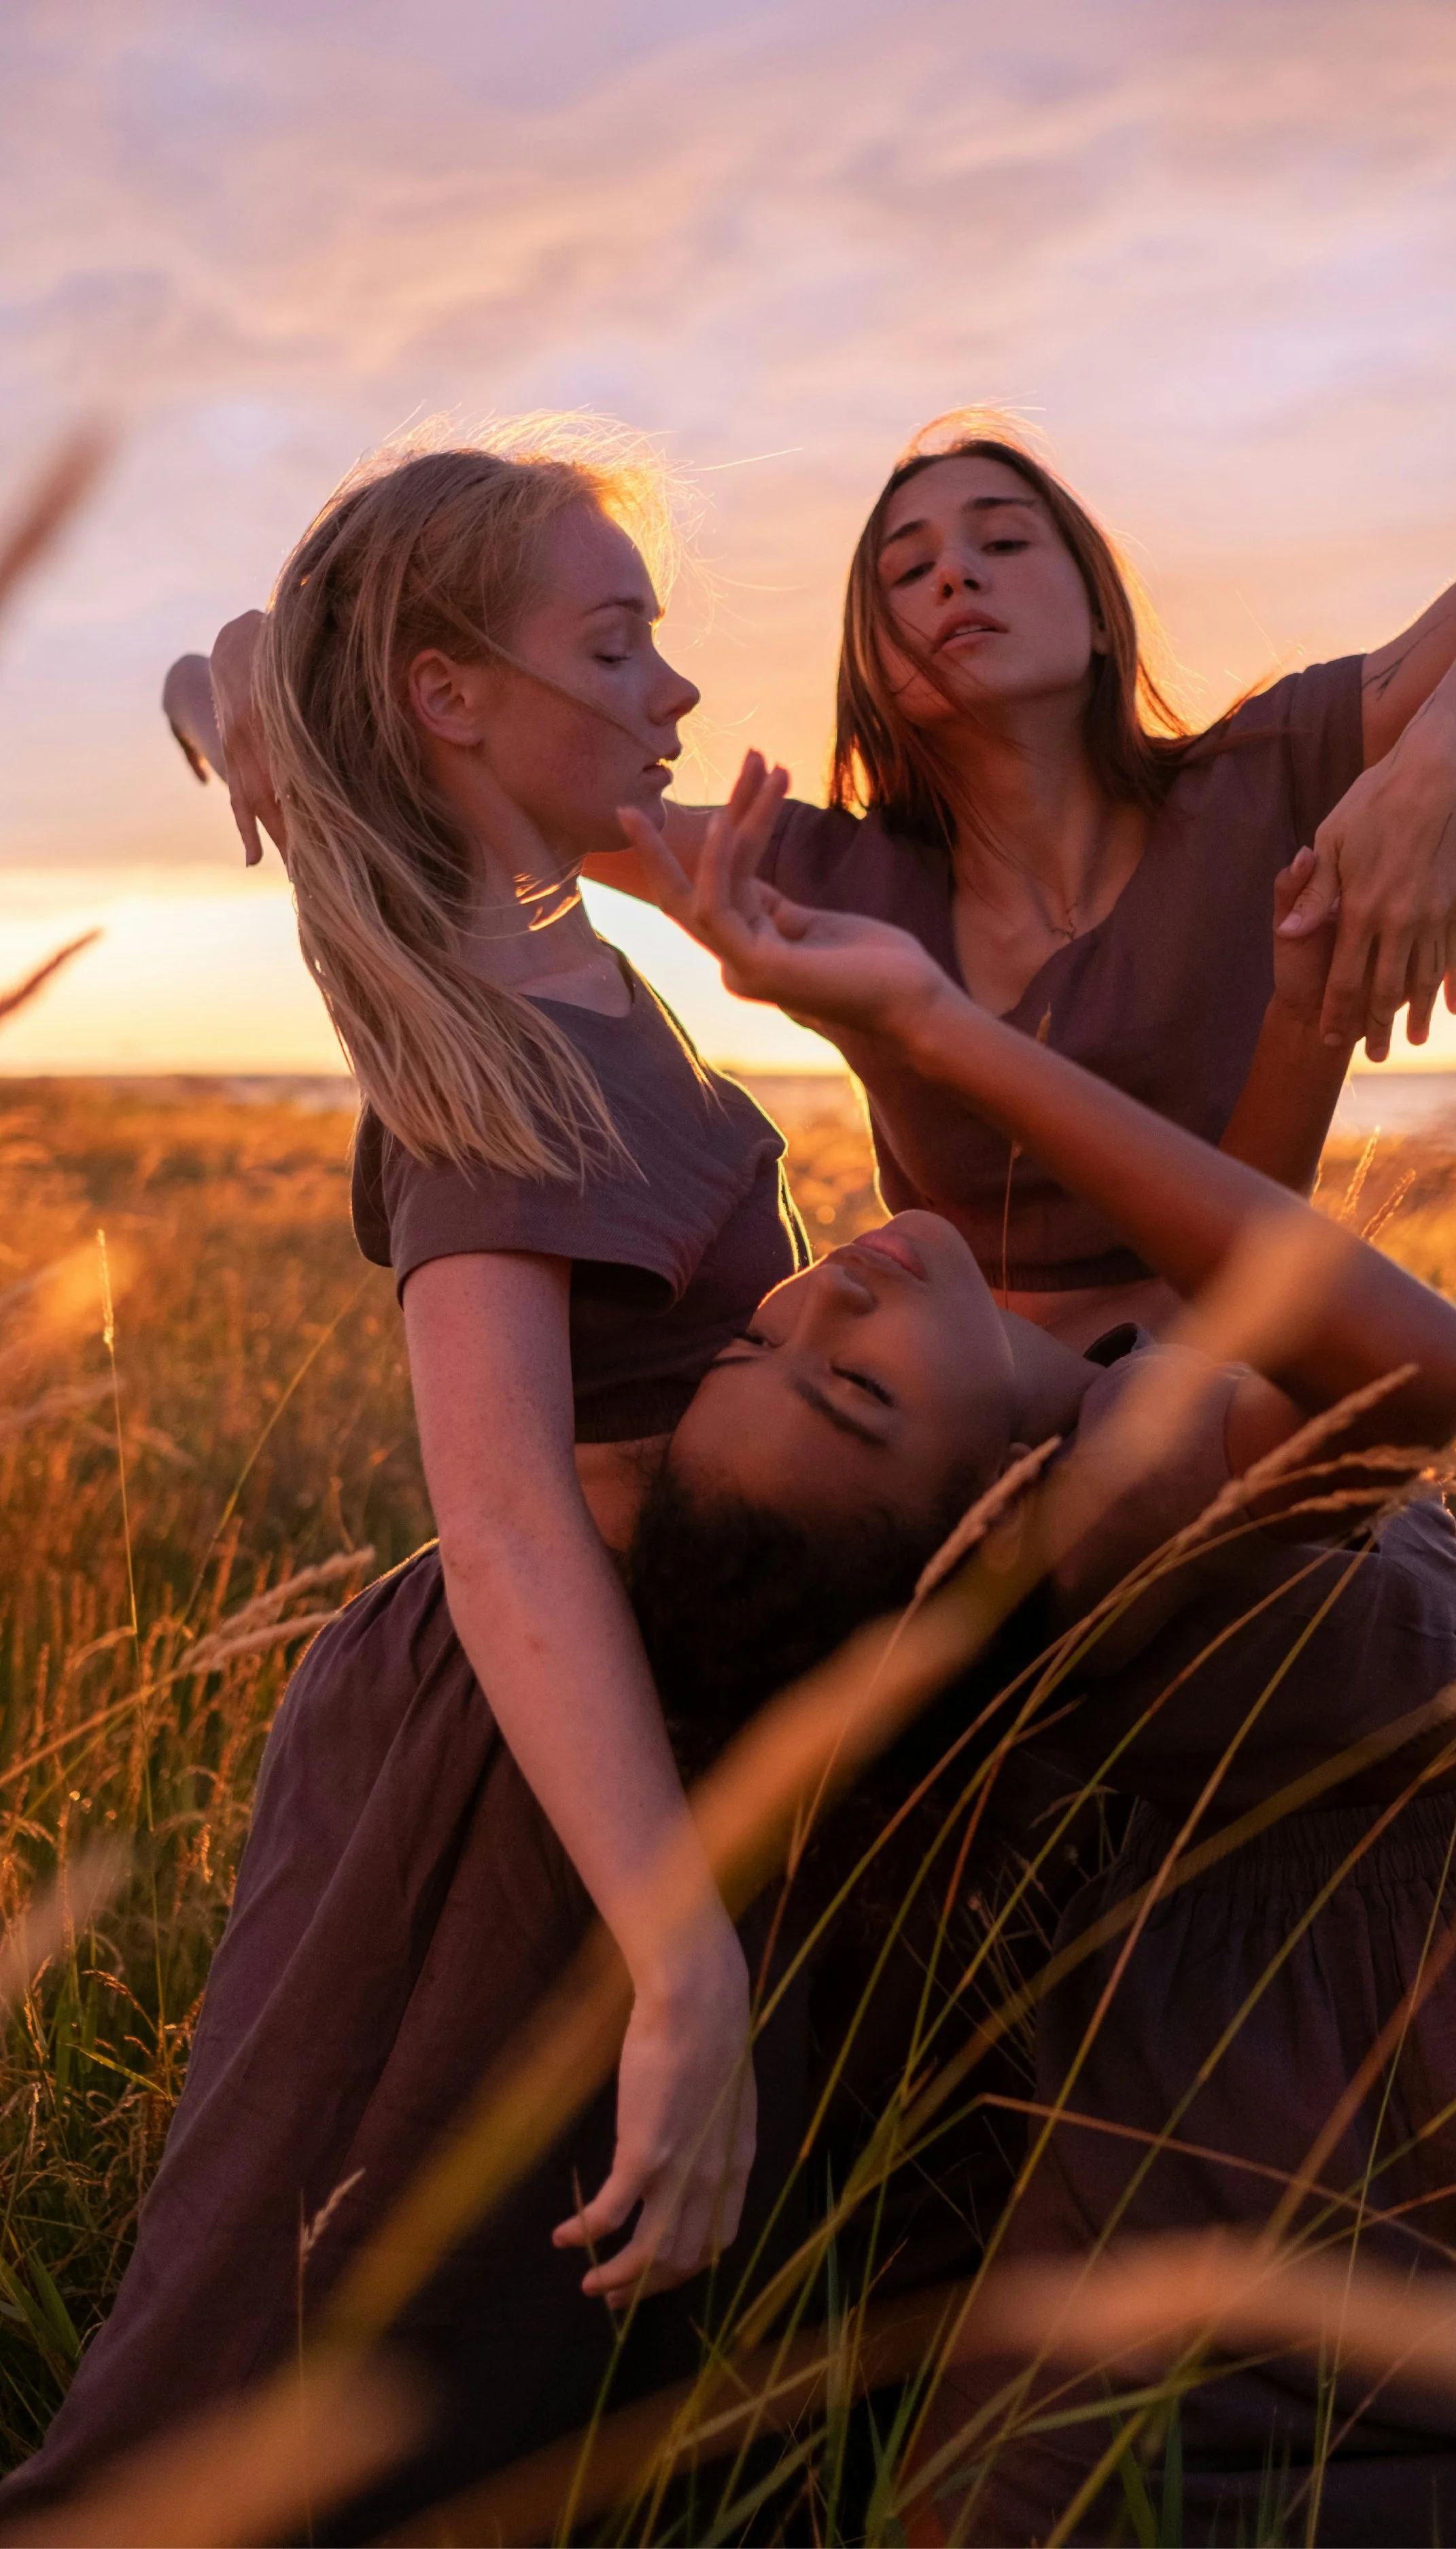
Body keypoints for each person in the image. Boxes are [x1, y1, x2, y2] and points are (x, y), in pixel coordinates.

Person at [606, 804, 1456, 2545]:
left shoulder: (1105, 1428)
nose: (827, 1299)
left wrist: (1300, 1014)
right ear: (975, 1512)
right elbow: (1418, 1365)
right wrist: (928, 1028)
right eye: (859, 1392)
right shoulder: (1108, 1509)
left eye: (768, 1334)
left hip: (1287, 2055)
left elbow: (1225, 1297)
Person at [0, 421, 825, 2531]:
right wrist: (680, 1952)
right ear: (453, 696)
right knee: (312, 2381)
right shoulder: (495, 1046)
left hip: (610, 1740)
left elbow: (262, 663)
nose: (674, 688)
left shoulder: (524, 932)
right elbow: (506, 1518)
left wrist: (250, 697)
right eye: (616, 643)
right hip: (531, 1788)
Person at [171, 420, 1456, 1345]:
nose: (954, 576)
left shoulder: (1258, 777)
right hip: (963, 1448)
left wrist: (1440, 760)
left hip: (1235, 1391)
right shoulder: (816, 873)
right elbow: (454, 746)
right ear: (873, 662)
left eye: (1002, 541)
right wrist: (243, 668)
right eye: (904, 571)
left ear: (1097, 609)